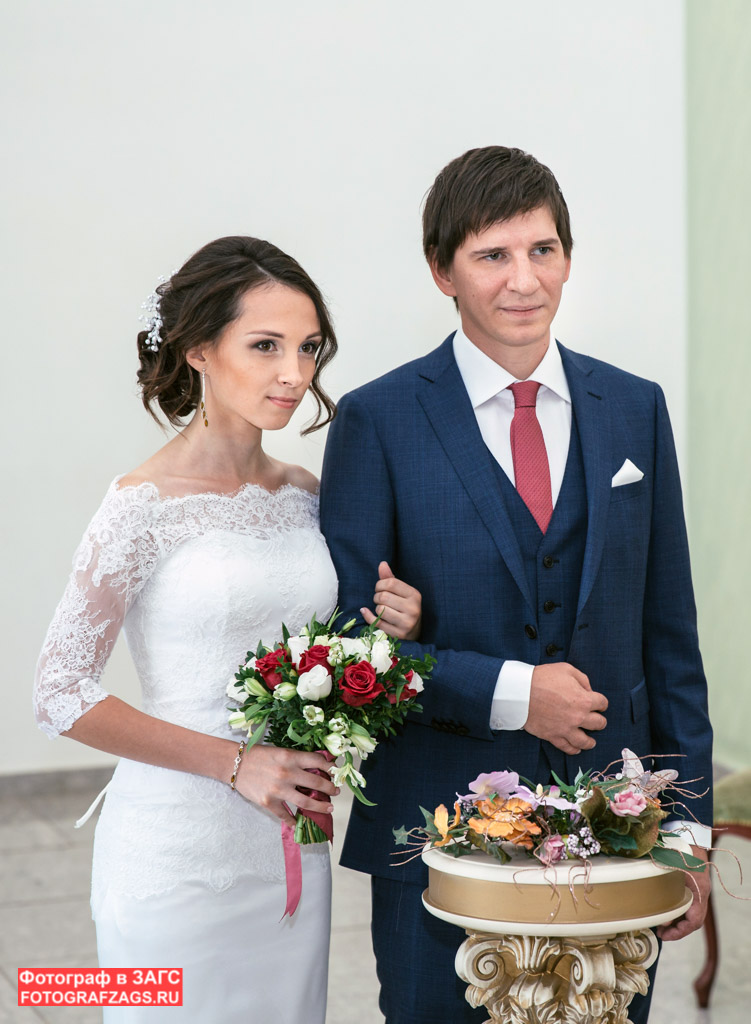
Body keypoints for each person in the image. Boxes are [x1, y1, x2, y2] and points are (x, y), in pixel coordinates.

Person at [319, 146, 713, 1024]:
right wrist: (512, 693)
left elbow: (669, 633)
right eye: (491, 255)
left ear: (567, 257)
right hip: (437, 829)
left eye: (542, 250)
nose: (523, 280)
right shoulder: (377, 420)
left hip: (619, 823)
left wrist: (687, 828)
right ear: (442, 272)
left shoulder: (634, 407)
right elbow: (350, 649)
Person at [33, 235, 422, 1023]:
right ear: (199, 350)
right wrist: (237, 764)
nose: (294, 374)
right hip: (175, 852)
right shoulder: (141, 505)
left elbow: (328, 646)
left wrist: (392, 623)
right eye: (265, 345)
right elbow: (58, 692)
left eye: (308, 347)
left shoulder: (306, 494)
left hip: (291, 848)